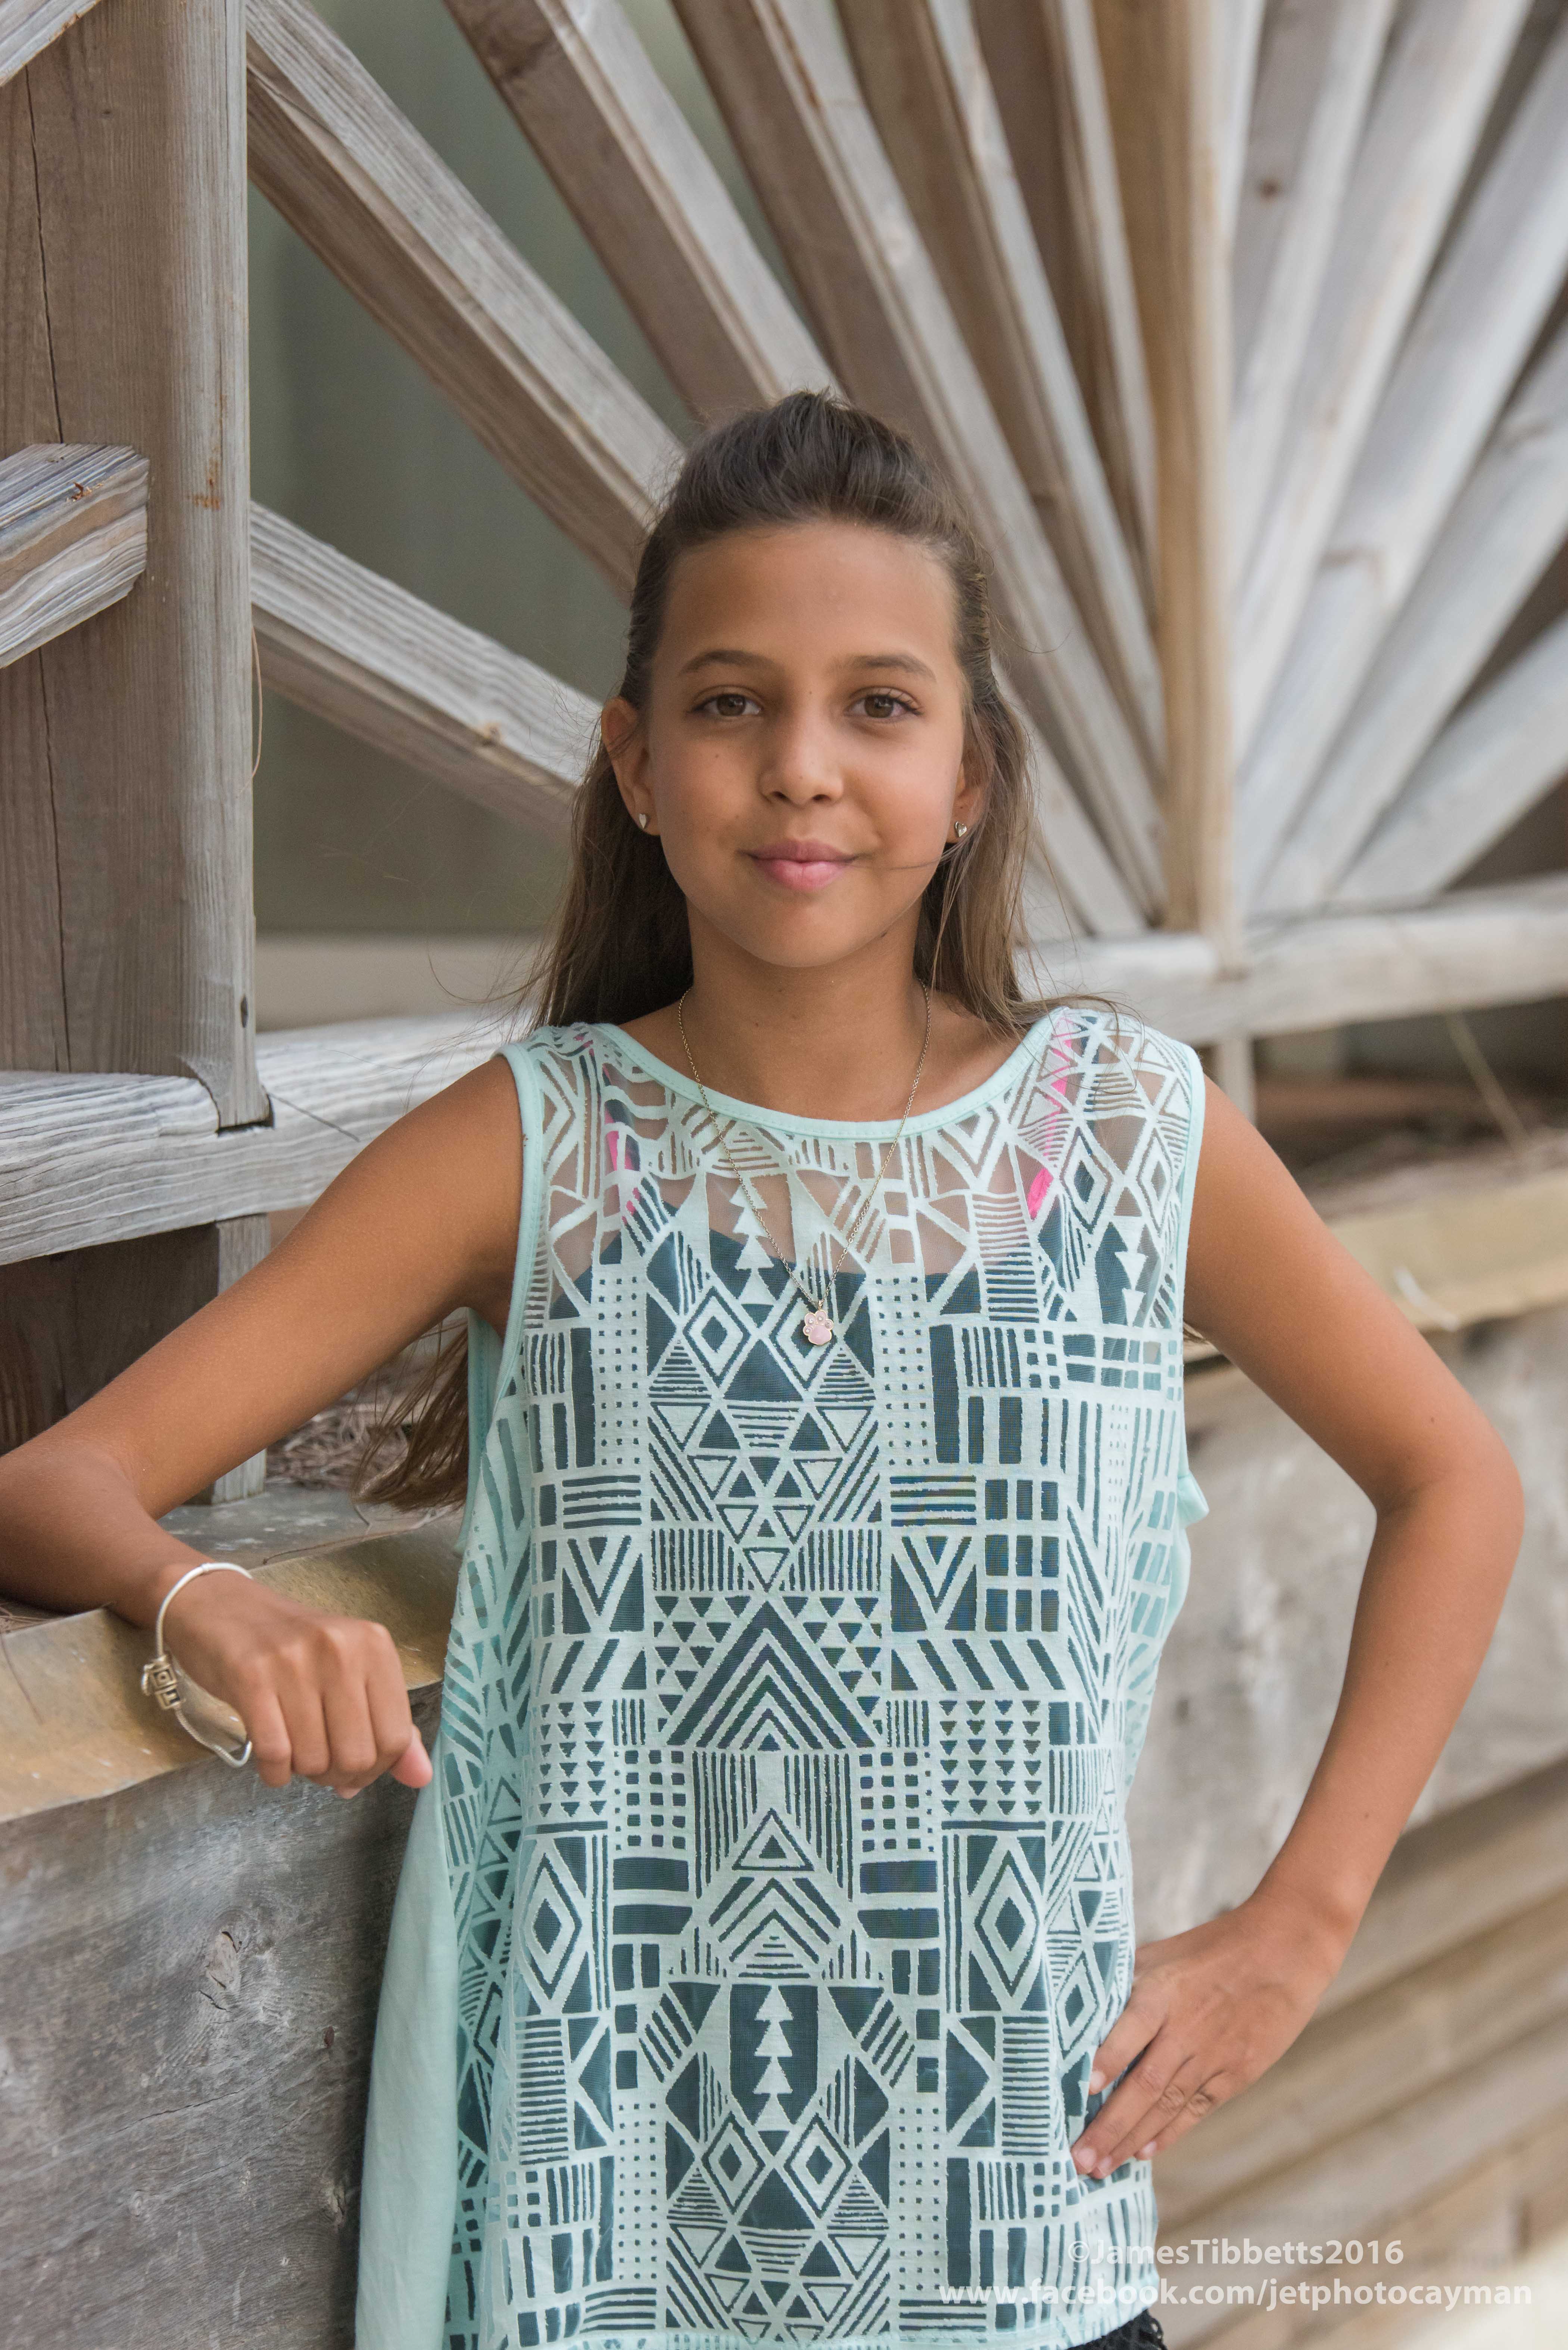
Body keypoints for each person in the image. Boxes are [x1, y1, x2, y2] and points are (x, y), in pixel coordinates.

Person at [0, 392, 1523, 2350]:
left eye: (879, 705)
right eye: (731, 704)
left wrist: (1298, 1927)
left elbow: (1454, 1477)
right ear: (637, 763)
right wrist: (205, 1596)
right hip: (615, 2259)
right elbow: (55, 1479)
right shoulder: (536, 1149)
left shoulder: (1126, 1130)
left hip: (1016, 2243)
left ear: (969, 774)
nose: (803, 765)